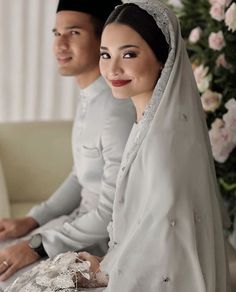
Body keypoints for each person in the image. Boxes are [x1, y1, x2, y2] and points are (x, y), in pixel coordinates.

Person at [4, 0, 231, 291]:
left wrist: (102, 269)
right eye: (106, 54)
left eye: (129, 54)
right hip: (116, 255)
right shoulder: (142, 123)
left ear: (164, 58)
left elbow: (161, 240)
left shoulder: (155, 138)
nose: (112, 68)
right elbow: (125, 215)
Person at [0, 0, 136, 290]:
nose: (60, 44)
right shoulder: (90, 98)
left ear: (104, 39)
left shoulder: (117, 110)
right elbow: (80, 176)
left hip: (98, 241)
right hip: (73, 225)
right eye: (55, 33)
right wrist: (32, 220)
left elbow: (112, 213)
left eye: (73, 33)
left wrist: (36, 245)